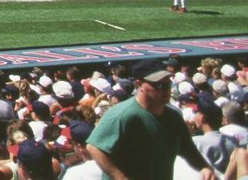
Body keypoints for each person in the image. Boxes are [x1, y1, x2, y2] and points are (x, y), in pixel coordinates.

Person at [83, 57, 216, 180]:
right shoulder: (122, 114)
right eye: (158, 85)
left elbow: (188, 149)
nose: (165, 90)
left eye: (167, 85)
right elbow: (94, 148)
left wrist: (204, 167)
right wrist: (120, 177)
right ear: (138, 85)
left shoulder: (173, 117)